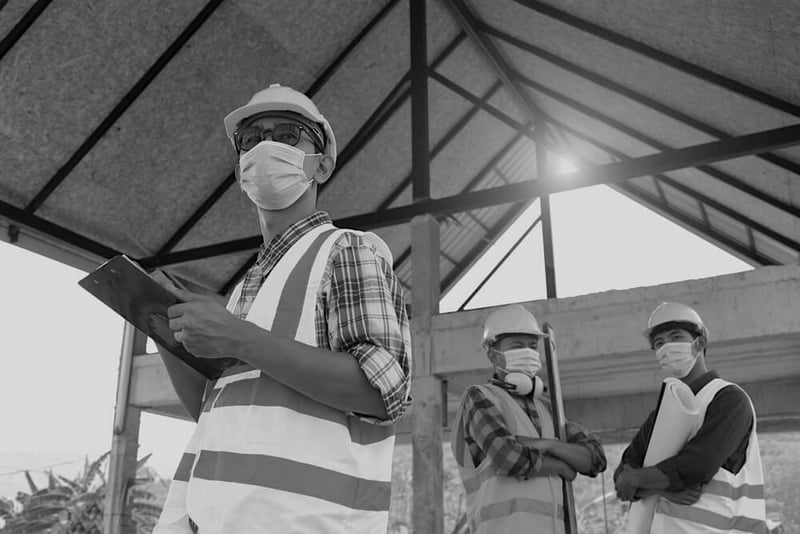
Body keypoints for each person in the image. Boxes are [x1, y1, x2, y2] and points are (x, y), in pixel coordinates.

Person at [152, 83, 412, 533]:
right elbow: (225, 418)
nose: (265, 146)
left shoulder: (346, 251)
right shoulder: (243, 292)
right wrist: (163, 328)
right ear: (240, 173)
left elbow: (382, 390)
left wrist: (238, 337)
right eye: (250, 140)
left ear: (323, 165)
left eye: (288, 135)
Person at [450, 304, 607, 534]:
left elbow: (595, 459)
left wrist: (549, 444)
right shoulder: (480, 397)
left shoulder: (550, 410)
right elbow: (508, 457)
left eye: (533, 346)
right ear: (494, 355)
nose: (528, 352)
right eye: (517, 346)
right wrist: (562, 465)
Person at [614, 302, 767, 532]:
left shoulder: (728, 399)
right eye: (659, 343)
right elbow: (622, 478)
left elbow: (697, 467)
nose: (667, 347)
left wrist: (638, 479)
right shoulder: (661, 414)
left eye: (676, 337)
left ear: (701, 342)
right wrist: (661, 488)